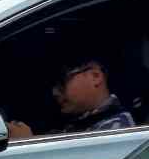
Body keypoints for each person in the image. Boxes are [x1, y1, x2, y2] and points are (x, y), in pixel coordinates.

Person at [7, 57, 136, 140]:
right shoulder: (78, 122)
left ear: (95, 76)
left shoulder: (118, 128)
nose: (55, 92)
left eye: (62, 82)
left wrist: (27, 144)